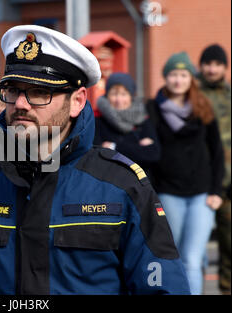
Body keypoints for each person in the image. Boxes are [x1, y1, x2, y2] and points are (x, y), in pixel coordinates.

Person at [0, 25, 190, 295]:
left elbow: (164, 288)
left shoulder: (122, 185)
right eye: (13, 90)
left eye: (39, 92)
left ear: (77, 101)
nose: (20, 104)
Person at [147, 51, 225, 295]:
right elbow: (149, 151)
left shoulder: (202, 106)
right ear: (165, 77)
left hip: (202, 195)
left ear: (191, 78)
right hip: (169, 193)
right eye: (173, 74)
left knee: (192, 257)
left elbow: (217, 151)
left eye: (183, 75)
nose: (178, 80)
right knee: (176, 253)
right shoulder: (153, 108)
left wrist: (216, 191)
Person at [198, 44, 231, 295]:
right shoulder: (192, 93)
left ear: (224, 67)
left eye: (217, 64)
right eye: (208, 64)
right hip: (201, 182)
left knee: (229, 243)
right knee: (195, 247)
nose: (212, 69)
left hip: (229, 182)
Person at [94, 72, 160, 175]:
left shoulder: (142, 119)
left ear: (131, 96)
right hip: (108, 181)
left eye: (124, 94)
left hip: (139, 184)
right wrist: (137, 148)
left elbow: (153, 154)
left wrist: (113, 147)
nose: (119, 100)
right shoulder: (97, 120)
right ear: (107, 95)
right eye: (114, 94)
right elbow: (98, 154)